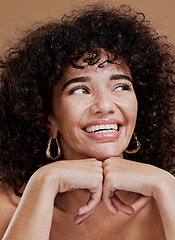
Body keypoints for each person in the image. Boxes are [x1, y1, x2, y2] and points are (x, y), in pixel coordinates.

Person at [0, 3, 174, 240]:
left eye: (121, 86)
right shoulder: (9, 208)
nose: (105, 106)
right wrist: (44, 181)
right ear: (47, 118)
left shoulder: (168, 198)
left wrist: (165, 184)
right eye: (80, 90)